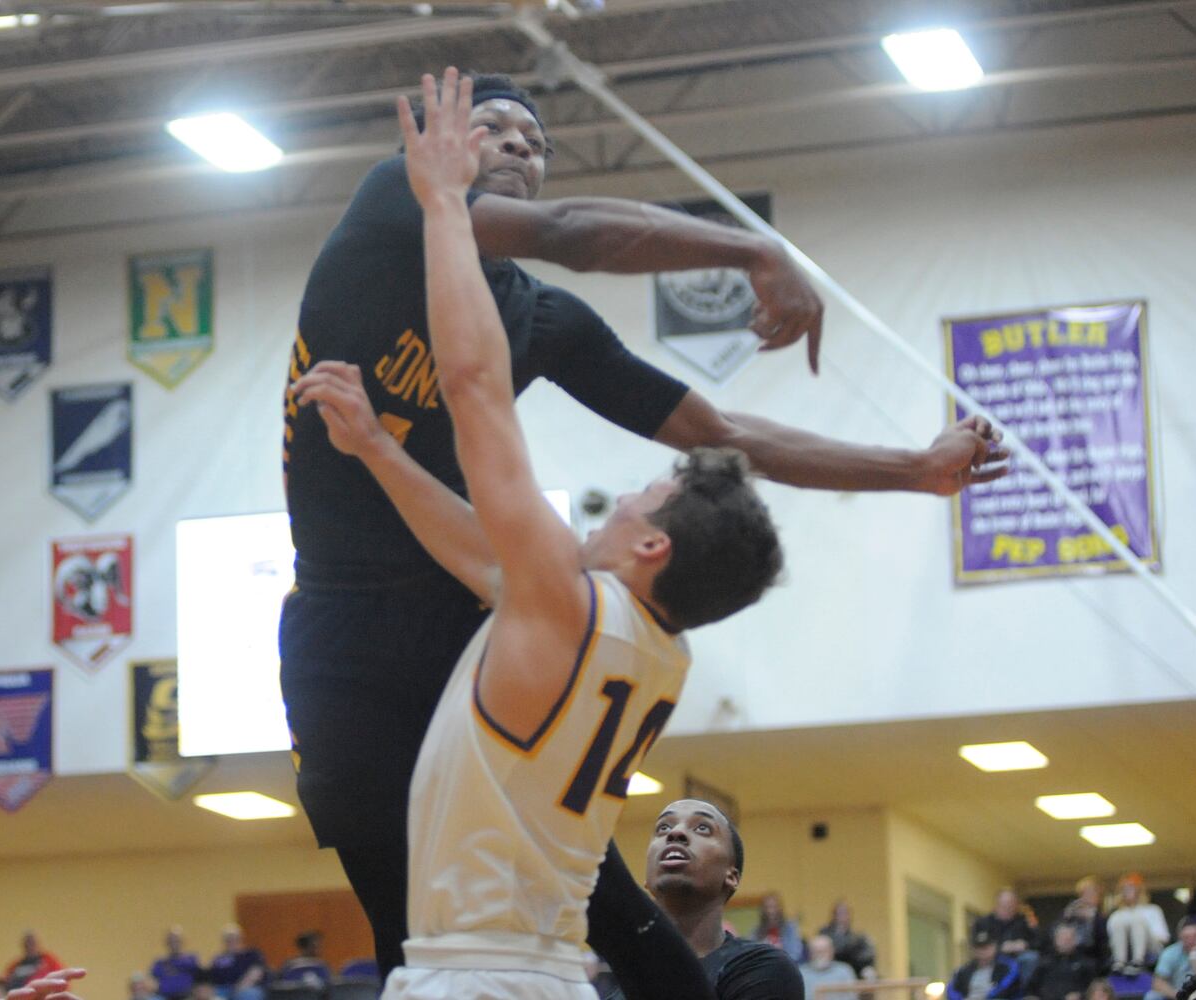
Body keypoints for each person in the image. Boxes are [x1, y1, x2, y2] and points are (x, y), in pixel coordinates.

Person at [281, 64, 1008, 995]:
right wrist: (752, 252)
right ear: (424, 148)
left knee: (548, 918)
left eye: (534, 143)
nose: (515, 147)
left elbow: (723, 434)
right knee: (539, 915)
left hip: (465, 602)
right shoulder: (394, 202)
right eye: (493, 126)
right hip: (352, 623)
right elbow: (569, 235)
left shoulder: (540, 328)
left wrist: (907, 470)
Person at [294, 69, 783, 1000]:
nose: (621, 500)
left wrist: (441, 202)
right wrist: (376, 448)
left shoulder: (557, 601)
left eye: (643, 498)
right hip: (552, 968)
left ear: (652, 550)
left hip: (469, 977)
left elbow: (475, 388)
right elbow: (476, 549)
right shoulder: (646, 648)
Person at [600, 799, 803, 1000]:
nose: (675, 833)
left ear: (731, 876)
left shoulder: (763, 969)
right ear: (647, 878)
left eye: (703, 828)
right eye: (663, 827)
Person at [1106, 874, 1169, 972]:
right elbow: (1111, 939)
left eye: (1131, 888)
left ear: (1139, 890)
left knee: (1137, 921)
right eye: (1124, 889)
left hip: (1151, 947)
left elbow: (1163, 937)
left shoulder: (1152, 909)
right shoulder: (1116, 914)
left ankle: (1138, 961)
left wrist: (1139, 936)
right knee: (1119, 920)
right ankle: (1119, 962)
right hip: (1125, 949)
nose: (1127, 891)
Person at [974, 891, 1039, 984]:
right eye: (1004, 905)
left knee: (1031, 958)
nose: (1008, 909)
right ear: (997, 905)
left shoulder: (1024, 921)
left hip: (1019, 959)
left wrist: (1025, 945)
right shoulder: (983, 923)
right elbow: (978, 944)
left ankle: (1026, 992)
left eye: (1011, 905)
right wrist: (1000, 947)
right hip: (993, 958)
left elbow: (1038, 941)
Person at [1025, 924, 1097, 1000]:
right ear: (1056, 940)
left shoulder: (1085, 963)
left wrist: (1080, 995)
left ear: (1076, 940)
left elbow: (1093, 988)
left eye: (1070, 939)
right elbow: (1031, 988)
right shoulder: (1044, 962)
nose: (1066, 942)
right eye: (1063, 938)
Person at [947, 930, 1023, 1000]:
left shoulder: (1007, 967)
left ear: (994, 947)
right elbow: (951, 989)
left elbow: (1007, 987)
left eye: (986, 947)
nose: (982, 952)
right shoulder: (963, 970)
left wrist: (988, 997)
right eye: (978, 948)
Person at [820, 902, 877, 981]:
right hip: (829, 971)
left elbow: (865, 956)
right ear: (834, 916)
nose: (842, 917)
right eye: (839, 914)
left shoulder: (856, 937)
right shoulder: (825, 934)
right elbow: (837, 951)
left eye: (845, 914)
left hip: (852, 971)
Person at [1061, 879, 1109, 969]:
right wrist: (1069, 915)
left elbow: (1104, 935)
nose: (1086, 897)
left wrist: (1093, 917)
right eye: (1083, 894)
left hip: (1094, 952)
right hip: (1074, 950)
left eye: (1091, 893)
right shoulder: (1073, 911)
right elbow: (1061, 929)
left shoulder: (1102, 914)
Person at [1148, 918, 1196, 1000]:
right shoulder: (1170, 953)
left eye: (1195, 936)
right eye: (1187, 937)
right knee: (1152, 996)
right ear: (1180, 937)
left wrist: (1194, 956)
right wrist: (1181, 996)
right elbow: (1158, 983)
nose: (1191, 940)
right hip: (1176, 994)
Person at [207, 927, 264, 1000]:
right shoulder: (218, 958)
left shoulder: (251, 954)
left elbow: (256, 972)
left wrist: (240, 987)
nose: (231, 942)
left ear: (240, 940)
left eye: (234, 939)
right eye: (228, 940)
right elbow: (210, 976)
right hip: (222, 988)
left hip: (246, 987)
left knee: (249, 995)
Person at [751, 895, 805, 964]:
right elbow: (753, 954)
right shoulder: (756, 931)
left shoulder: (790, 928)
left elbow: (795, 953)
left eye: (774, 907)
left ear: (780, 908)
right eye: (767, 907)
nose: (771, 911)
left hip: (786, 966)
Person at [151, 927, 199, 1000]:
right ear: (166, 943)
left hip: (187, 996)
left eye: (177, 940)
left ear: (183, 941)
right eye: (171, 940)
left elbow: (199, 980)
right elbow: (152, 980)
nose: (174, 943)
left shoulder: (192, 959)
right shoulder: (159, 962)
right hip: (164, 997)